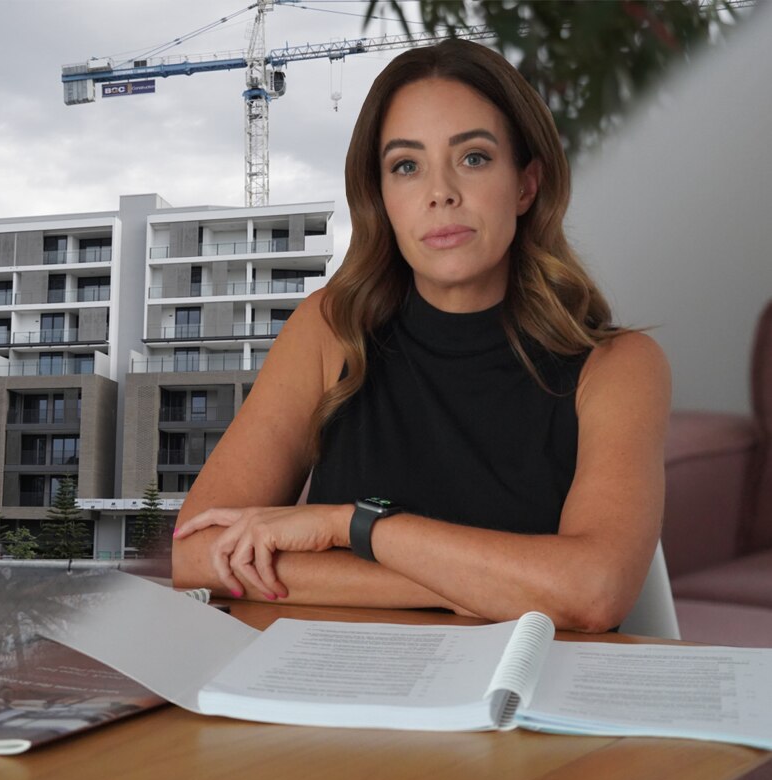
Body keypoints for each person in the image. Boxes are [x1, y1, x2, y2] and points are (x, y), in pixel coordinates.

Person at [171, 39, 670, 633]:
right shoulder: (330, 330)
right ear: (382, 197)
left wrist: (349, 527)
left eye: (475, 158)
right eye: (406, 166)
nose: (440, 193)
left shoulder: (618, 366)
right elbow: (196, 554)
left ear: (526, 185)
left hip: (521, 708)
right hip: (333, 696)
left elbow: (593, 593)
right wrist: (464, 588)